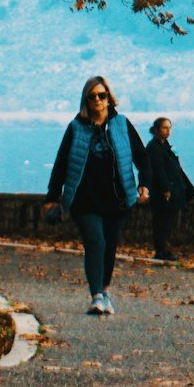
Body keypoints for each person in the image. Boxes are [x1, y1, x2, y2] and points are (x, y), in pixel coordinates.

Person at [45, 75, 138, 315]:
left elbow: (142, 157)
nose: (97, 99)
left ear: (109, 98)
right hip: (84, 199)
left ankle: (104, 290)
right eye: (92, 96)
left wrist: (145, 184)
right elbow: (61, 163)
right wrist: (51, 197)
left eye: (101, 95)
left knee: (110, 246)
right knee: (95, 242)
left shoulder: (122, 125)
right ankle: (96, 295)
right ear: (86, 100)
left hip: (116, 199)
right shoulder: (76, 127)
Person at [138, 115, 194, 261]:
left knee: (168, 221)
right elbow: (158, 170)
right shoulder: (153, 147)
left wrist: (187, 186)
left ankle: (164, 249)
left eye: (169, 128)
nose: (168, 131)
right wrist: (165, 189)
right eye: (164, 127)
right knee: (162, 222)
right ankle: (160, 250)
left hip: (173, 189)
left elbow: (176, 167)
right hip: (163, 192)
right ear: (156, 129)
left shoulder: (166, 146)